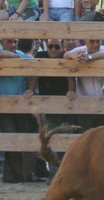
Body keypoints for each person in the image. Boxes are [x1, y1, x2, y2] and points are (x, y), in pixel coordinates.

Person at [23, 39, 77, 182]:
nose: (53, 49)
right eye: (51, 46)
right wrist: (30, 90)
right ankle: (53, 175)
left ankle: (60, 175)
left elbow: (71, 78)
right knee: (51, 140)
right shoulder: (41, 56)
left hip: (63, 105)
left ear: (61, 48)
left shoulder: (64, 57)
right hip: (47, 104)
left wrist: (71, 92)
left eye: (56, 47)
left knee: (64, 139)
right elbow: (35, 75)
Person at [0, 39, 41, 183]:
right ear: (2, 42)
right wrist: (15, 57)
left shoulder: (21, 54)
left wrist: (30, 89)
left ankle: (10, 175)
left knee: (16, 139)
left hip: (20, 104)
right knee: (12, 136)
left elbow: (36, 68)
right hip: (2, 104)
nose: (12, 45)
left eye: (14, 42)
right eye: (9, 42)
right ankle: (21, 173)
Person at [63, 39, 104, 130]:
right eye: (92, 42)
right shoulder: (81, 50)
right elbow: (66, 54)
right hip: (84, 103)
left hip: (103, 101)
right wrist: (73, 56)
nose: (95, 44)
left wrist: (89, 57)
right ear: (86, 42)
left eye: (98, 42)